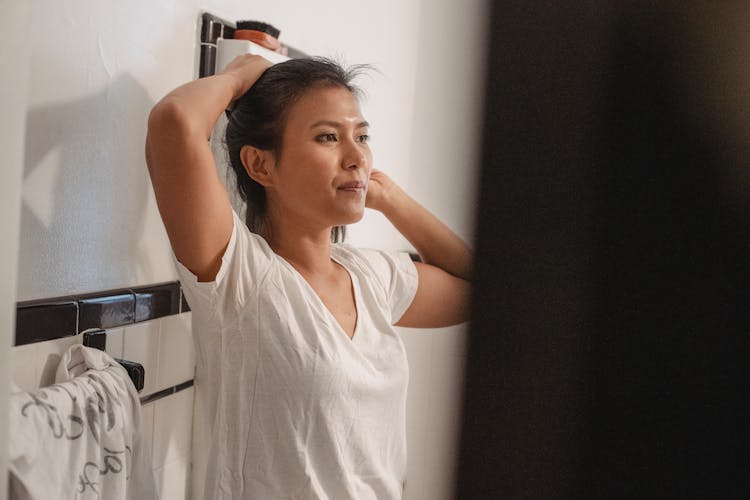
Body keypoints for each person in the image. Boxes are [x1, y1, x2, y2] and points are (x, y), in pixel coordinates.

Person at [145, 53, 472, 499]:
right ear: (261, 166)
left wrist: (391, 197)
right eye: (328, 137)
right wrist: (238, 77)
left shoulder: (373, 276)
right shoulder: (241, 275)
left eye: (362, 136)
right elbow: (175, 122)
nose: (356, 156)